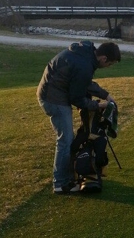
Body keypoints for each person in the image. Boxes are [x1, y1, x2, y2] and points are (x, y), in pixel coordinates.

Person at [37, 40, 121, 194]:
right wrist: (98, 105)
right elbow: (77, 98)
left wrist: (105, 95)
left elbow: (84, 83)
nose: (108, 67)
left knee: (67, 138)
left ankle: (69, 176)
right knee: (65, 139)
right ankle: (60, 184)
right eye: (110, 64)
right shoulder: (85, 65)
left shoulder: (86, 54)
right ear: (104, 59)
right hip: (52, 98)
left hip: (54, 92)